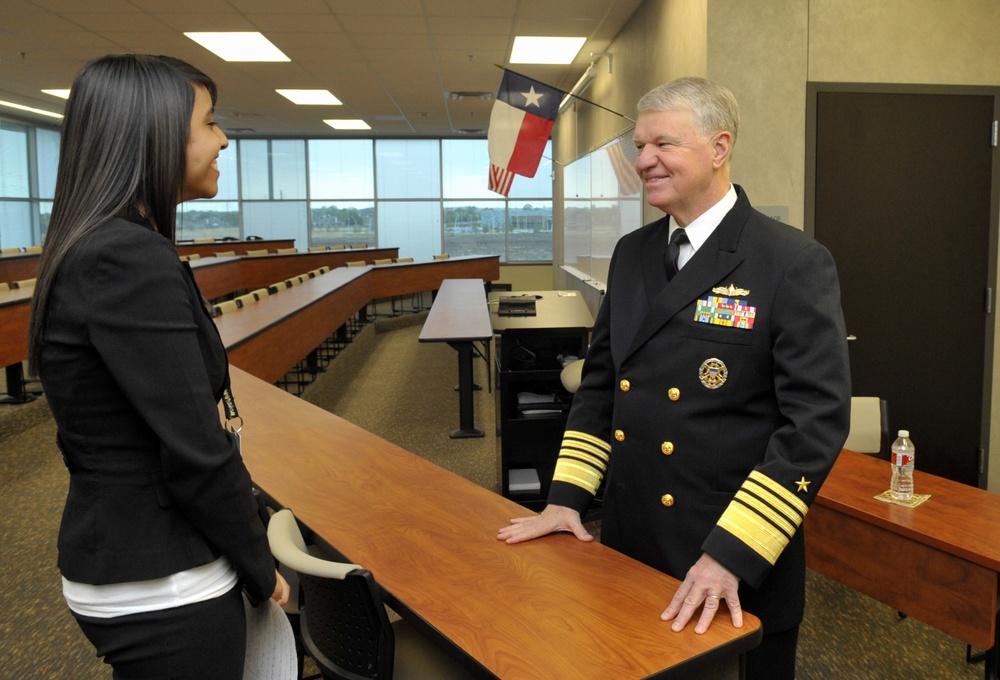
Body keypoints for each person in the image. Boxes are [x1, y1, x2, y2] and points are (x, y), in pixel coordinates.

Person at [498, 77, 851, 679]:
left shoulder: (790, 261)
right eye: (640, 146)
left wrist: (730, 557)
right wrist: (565, 500)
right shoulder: (632, 253)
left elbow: (815, 426)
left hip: (729, 556)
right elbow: (602, 386)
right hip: (632, 543)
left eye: (664, 144)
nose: (644, 161)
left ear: (719, 148)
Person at [27, 54, 289, 679]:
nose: (224, 138)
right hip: (162, 575)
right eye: (209, 122)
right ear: (152, 134)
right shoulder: (123, 256)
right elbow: (193, 445)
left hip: (138, 555)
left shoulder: (104, 243)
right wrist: (259, 563)